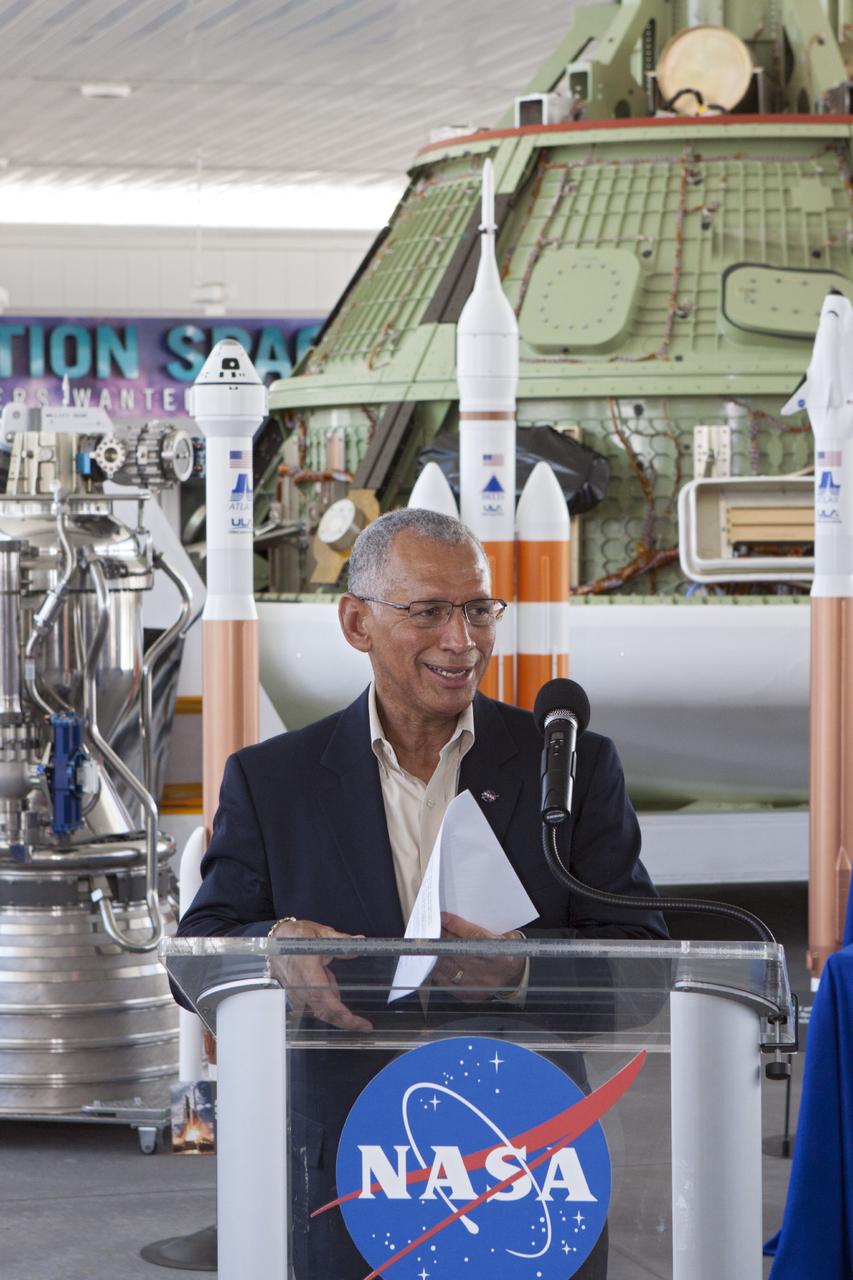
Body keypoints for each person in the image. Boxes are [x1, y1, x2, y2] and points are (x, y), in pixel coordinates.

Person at [177, 507, 668, 1277]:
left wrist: (521, 968)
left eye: (477, 610)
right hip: (351, 1157)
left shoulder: (568, 767)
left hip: (528, 1159)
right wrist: (273, 948)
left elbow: (644, 968)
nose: (461, 640)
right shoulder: (273, 781)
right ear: (355, 622)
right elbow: (200, 949)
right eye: (428, 611)